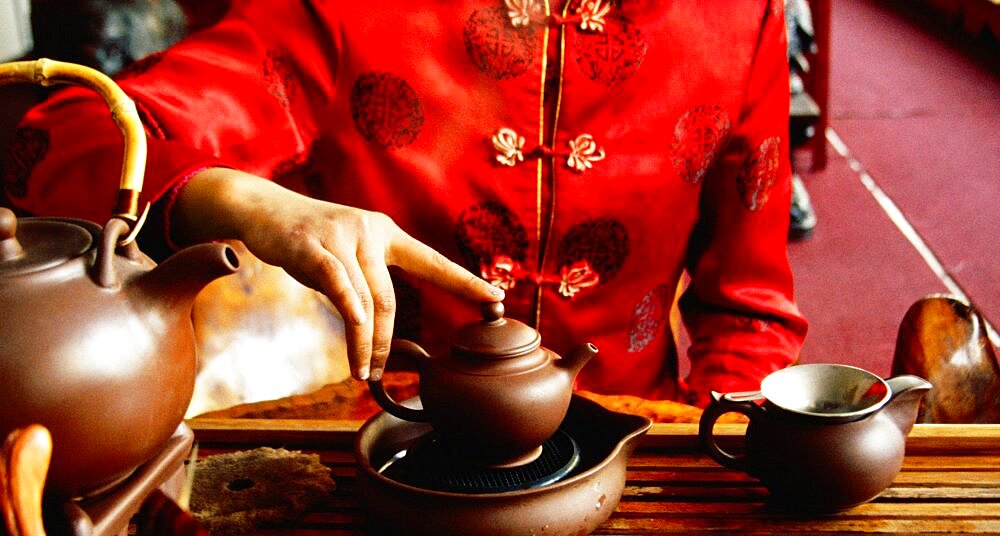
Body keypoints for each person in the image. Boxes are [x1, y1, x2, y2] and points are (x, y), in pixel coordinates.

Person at [4, 0, 807, 407]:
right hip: (392, 454)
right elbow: (58, 142)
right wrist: (240, 201)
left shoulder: (741, 16)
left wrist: (715, 457)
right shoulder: (351, 8)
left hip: (642, 447)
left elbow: (750, 312)